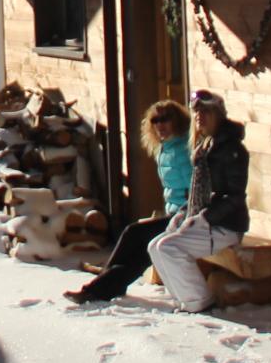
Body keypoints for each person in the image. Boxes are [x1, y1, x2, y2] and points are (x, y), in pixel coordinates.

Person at [63, 100, 192, 304]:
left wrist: (184, 213)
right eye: (155, 120)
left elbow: (194, 187)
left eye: (165, 119)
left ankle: (101, 287)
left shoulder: (184, 150)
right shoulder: (165, 149)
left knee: (137, 237)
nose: (160, 125)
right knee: (136, 239)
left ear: (178, 122)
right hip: (174, 213)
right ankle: (105, 284)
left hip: (187, 217)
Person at [147, 89, 249, 313]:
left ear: (218, 114)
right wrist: (185, 214)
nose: (200, 116)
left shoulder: (232, 150)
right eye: (196, 112)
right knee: (154, 246)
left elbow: (234, 197)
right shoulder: (205, 148)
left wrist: (203, 218)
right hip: (206, 220)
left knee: (168, 248)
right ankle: (183, 300)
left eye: (206, 111)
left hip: (226, 224)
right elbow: (195, 194)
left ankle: (200, 302)